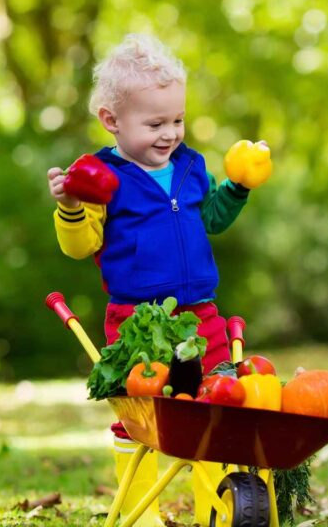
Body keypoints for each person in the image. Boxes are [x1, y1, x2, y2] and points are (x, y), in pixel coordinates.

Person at [46, 33, 271, 526]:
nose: (170, 133)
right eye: (155, 123)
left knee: (218, 407)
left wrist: (237, 186)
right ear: (111, 121)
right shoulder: (100, 178)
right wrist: (69, 206)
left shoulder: (191, 167)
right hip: (135, 320)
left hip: (201, 314)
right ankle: (140, 512)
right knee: (141, 418)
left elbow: (211, 218)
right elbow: (80, 246)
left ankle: (215, 508)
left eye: (177, 120)